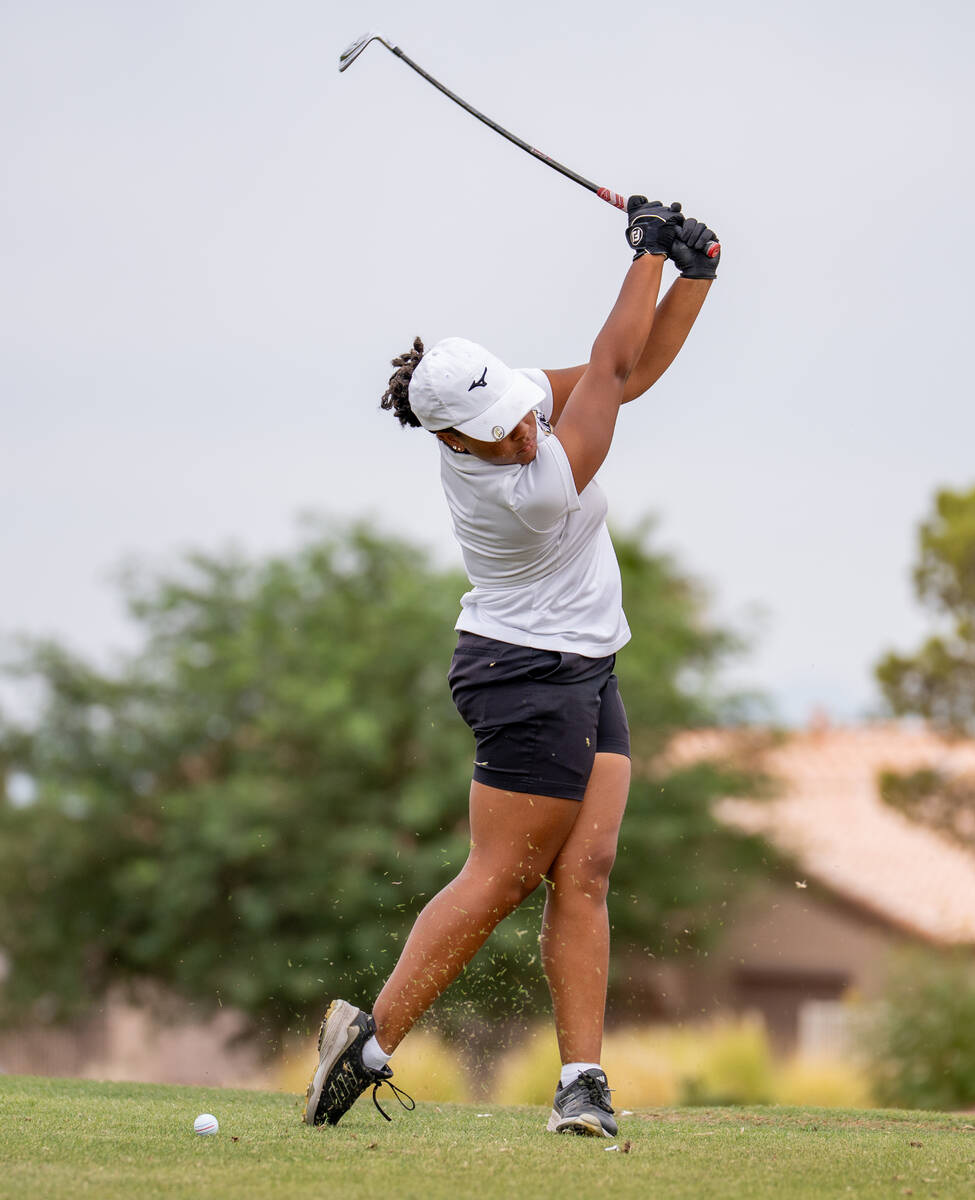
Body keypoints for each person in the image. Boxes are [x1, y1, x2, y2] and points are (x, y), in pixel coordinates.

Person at [304, 197, 719, 1136]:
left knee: (588, 868)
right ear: (453, 440)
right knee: (501, 875)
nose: (522, 426)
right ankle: (367, 1048)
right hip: (525, 674)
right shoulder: (521, 492)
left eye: (513, 408)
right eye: (496, 428)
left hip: (588, 663)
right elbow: (610, 366)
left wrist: (691, 273)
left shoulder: (515, 404)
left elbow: (634, 371)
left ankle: (581, 1085)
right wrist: (644, 253)